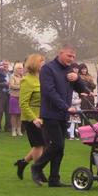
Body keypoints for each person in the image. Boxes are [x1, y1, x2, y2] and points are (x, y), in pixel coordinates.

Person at [29, 44, 87, 187]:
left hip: (63, 114)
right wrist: (66, 107)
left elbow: (82, 89)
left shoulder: (69, 70)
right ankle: (37, 167)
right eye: (69, 56)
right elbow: (50, 92)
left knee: (60, 148)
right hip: (50, 113)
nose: (71, 59)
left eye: (73, 57)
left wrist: (77, 78)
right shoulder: (48, 69)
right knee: (57, 144)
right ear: (60, 53)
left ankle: (54, 179)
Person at [14, 54, 46, 180]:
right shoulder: (27, 80)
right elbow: (23, 103)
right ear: (35, 64)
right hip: (31, 118)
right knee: (39, 145)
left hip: (43, 116)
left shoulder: (43, 78)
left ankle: (23, 163)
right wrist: (34, 118)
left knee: (43, 145)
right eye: (42, 62)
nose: (44, 64)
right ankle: (38, 171)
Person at [0, 60, 11, 132]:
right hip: (1, 93)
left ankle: (8, 127)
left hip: (10, 94)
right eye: (4, 64)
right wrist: (4, 84)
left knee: (8, 111)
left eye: (7, 64)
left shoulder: (10, 73)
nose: (5, 66)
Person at [8, 62, 24, 137]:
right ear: (16, 69)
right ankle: (13, 130)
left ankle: (19, 129)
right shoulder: (12, 76)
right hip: (14, 97)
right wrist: (21, 86)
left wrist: (19, 85)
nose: (21, 69)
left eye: (21, 68)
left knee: (20, 114)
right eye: (19, 68)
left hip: (22, 97)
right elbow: (12, 86)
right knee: (14, 114)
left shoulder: (23, 77)